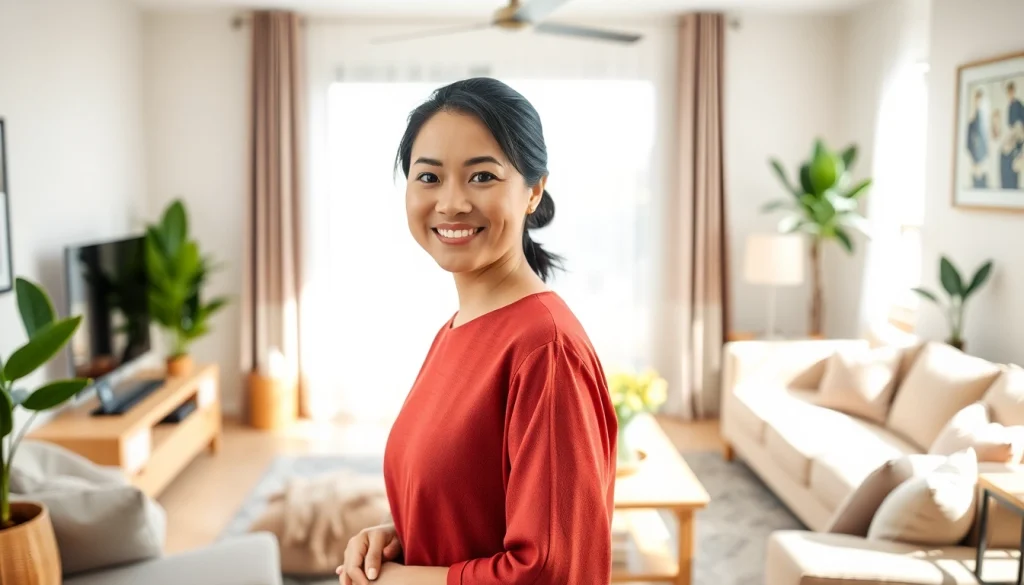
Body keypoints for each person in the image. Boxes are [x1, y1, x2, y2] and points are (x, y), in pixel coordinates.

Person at [337, 77, 618, 585]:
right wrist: (399, 538)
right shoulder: (456, 329)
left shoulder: (545, 349)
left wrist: (395, 581)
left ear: (533, 191)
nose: (451, 203)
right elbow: (472, 501)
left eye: (482, 176)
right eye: (429, 178)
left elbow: (551, 572)